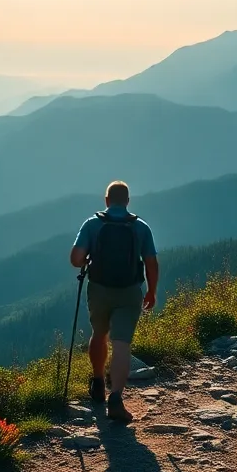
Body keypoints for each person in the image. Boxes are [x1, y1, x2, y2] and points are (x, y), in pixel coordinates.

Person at [70, 181, 159, 423]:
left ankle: (98, 381)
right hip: (129, 291)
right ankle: (116, 398)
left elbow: (76, 258)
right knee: (122, 344)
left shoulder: (93, 224)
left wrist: (89, 258)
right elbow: (151, 262)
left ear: (106, 200)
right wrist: (151, 291)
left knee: (99, 334)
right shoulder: (140, 226)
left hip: (99, 289)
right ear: (128, 201)